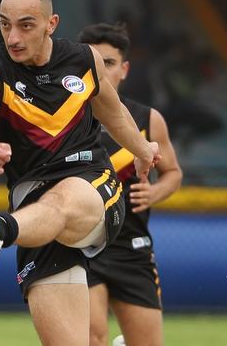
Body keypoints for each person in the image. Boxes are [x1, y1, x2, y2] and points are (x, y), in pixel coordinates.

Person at [0, 0, 160, 345]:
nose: (13, 37)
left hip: (92, 184)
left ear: (51, 23)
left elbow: (116, 116)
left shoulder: (83, 60)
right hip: (32, 214)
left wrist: (143, 151)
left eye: (26, 25)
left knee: (62, 202)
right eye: (4, 24)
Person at [78, 23, 182, 346]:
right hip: (83, 247)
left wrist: (153, 192)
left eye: (108, 63)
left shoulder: (148, 120)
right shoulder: (67, 119)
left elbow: (174, 173)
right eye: (93, 62)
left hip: (132, 248)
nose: (100, 70)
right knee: (93, 336)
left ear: (124, 70)